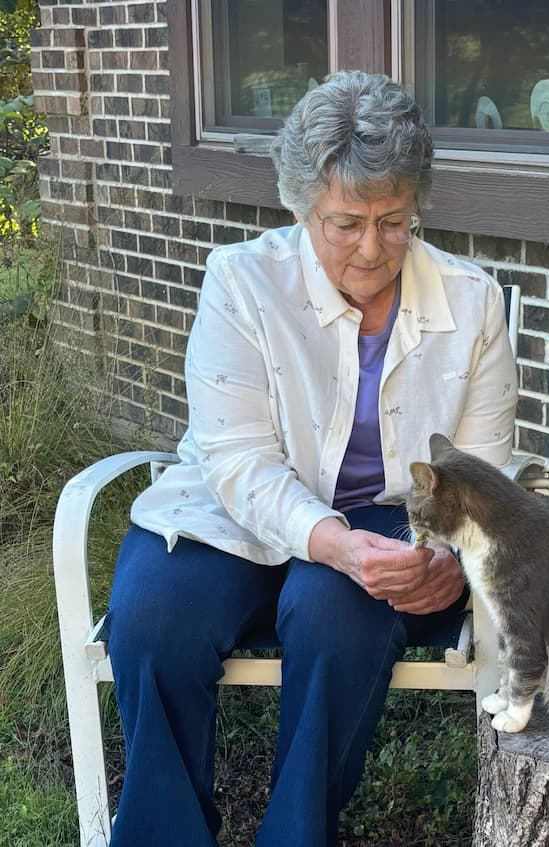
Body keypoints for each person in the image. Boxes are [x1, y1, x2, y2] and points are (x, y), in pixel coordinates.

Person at [106, 69, 518, 847]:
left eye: (394, 220)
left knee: (337, 618)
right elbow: (237, 461)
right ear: (300, 208)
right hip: (237, 505)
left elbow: (479, 479)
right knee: (154, 617)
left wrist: (450, 563)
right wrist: (327, 540)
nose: (372, 248)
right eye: (344, 223)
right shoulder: (241, 282)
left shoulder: (472, 303)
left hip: (385, 521)